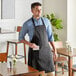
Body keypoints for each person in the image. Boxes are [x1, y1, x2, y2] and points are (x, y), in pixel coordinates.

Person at [19, 2, 57, 76]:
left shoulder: (46, 21)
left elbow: (50, 37)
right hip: (35, 54)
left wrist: (55, 50)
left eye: (40, 9)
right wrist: (29, 44)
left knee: (51, 74)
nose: (39, 11)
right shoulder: (27, 24)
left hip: (46, 52)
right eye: (37, 9)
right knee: (35, 74)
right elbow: (20, 38)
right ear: (32, 10)